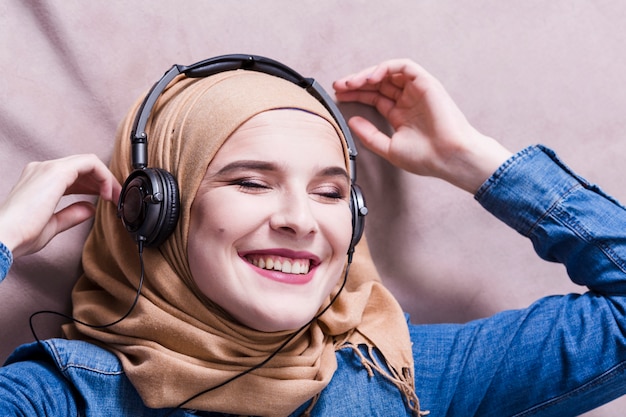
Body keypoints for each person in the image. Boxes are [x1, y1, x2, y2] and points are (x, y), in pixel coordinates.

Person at [0, 57, 625, 417]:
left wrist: (472, 158)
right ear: (154, 210)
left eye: (330, 193)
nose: (302, 219)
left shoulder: (405, 378)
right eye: (250, 182)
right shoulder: (62, 397)